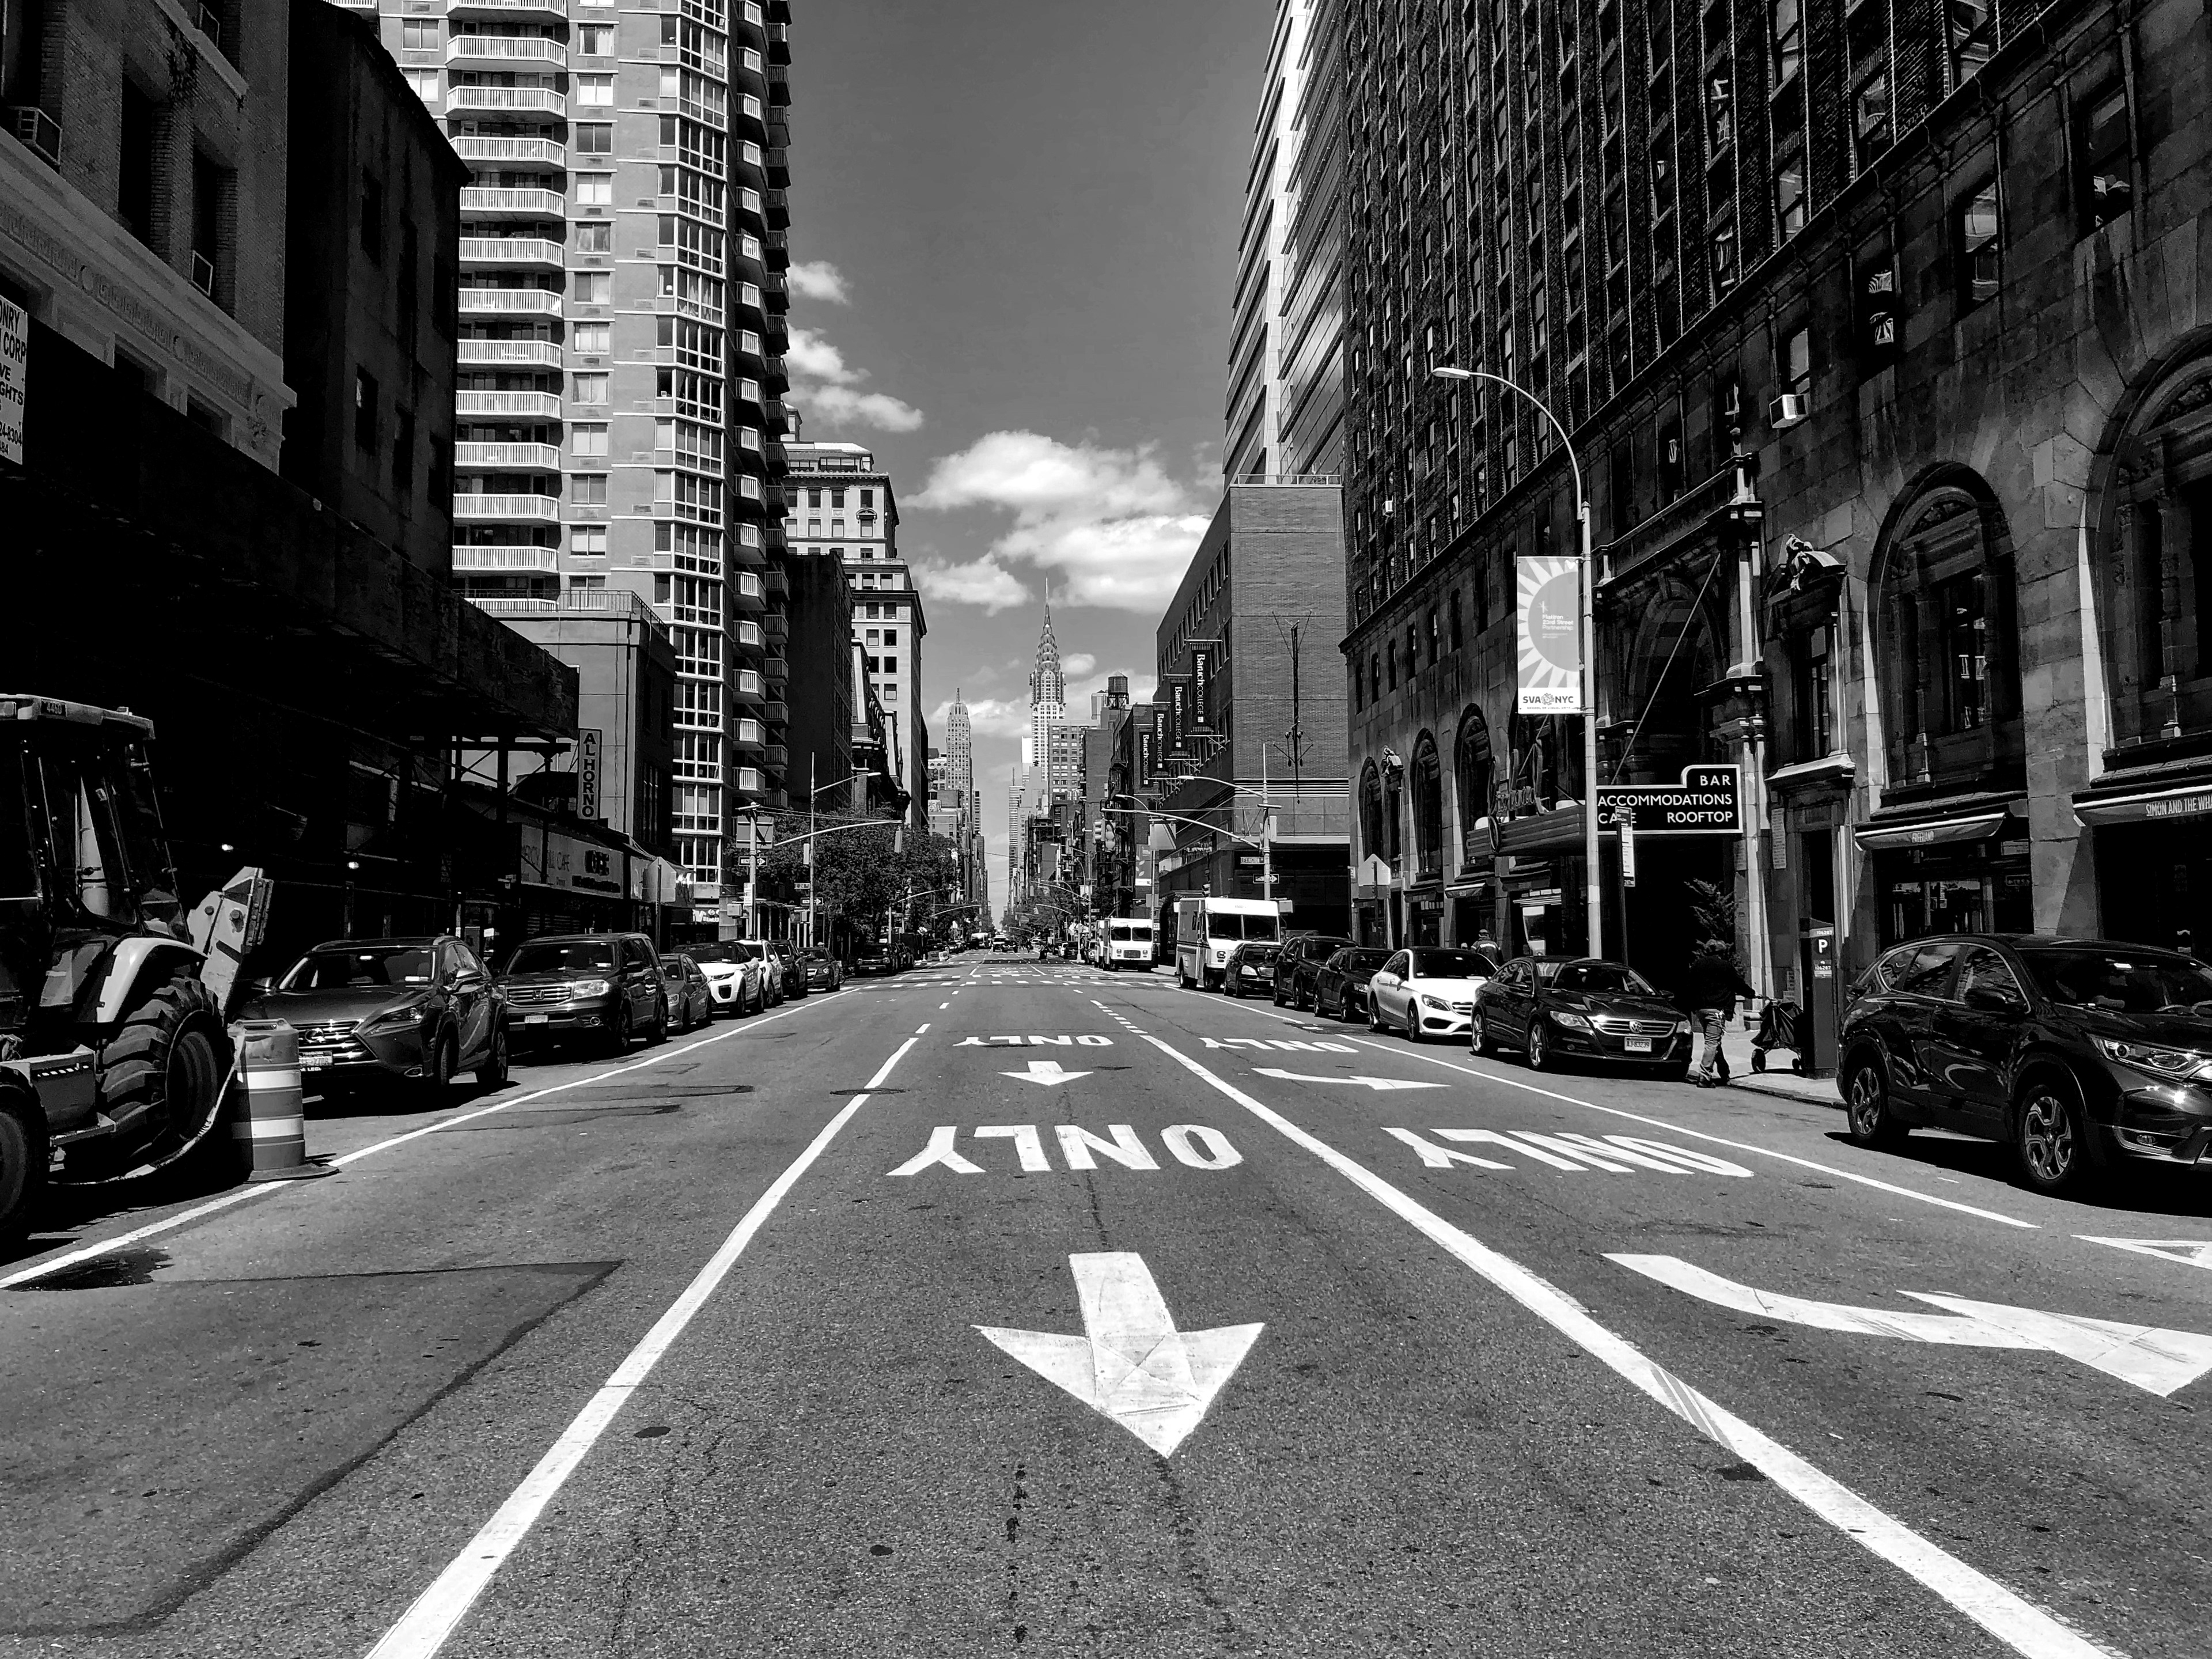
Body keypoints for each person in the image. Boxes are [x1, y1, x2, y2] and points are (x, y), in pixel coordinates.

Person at [1680, 941, 1757, 1086]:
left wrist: (1693, 1007)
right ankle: (1704, 1077)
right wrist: (1751, 994)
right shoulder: (1725, 966)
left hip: (1701, 1010)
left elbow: (1689, 987)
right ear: (1721, 953)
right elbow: (1738, 984)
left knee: (1715, 1041)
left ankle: (1724, 1072)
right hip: (1717, 1010)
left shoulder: (1697, 965)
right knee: (1711, 1043)